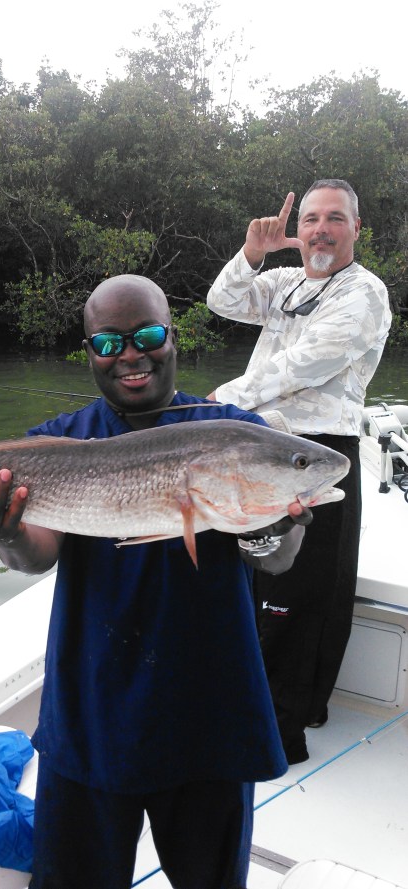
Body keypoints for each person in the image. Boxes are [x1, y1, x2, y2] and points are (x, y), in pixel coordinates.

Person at [0, 274, 310, 889]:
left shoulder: (234, 433)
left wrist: (270, 529)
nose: (131, 355)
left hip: (212, 710)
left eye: (147, 336)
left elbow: (278, 559)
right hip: (92, 708)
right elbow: (36, 556)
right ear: (88, 351)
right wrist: (1, 530)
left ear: (173, 339)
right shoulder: (56, 444)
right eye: (108, 343)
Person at [206, 179, 392, 765]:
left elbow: (307, 363)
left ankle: (285, 729)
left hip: (319, 452)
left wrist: (224, 402)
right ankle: (250, 706)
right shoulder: (285, 282)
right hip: (262, 445)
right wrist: (252, 255)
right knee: (258, 576)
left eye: (334, 218)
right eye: (310, 219)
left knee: (302, 592)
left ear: (356, 229)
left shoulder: (365, 293)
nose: (320, 229)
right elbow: (222, 302)